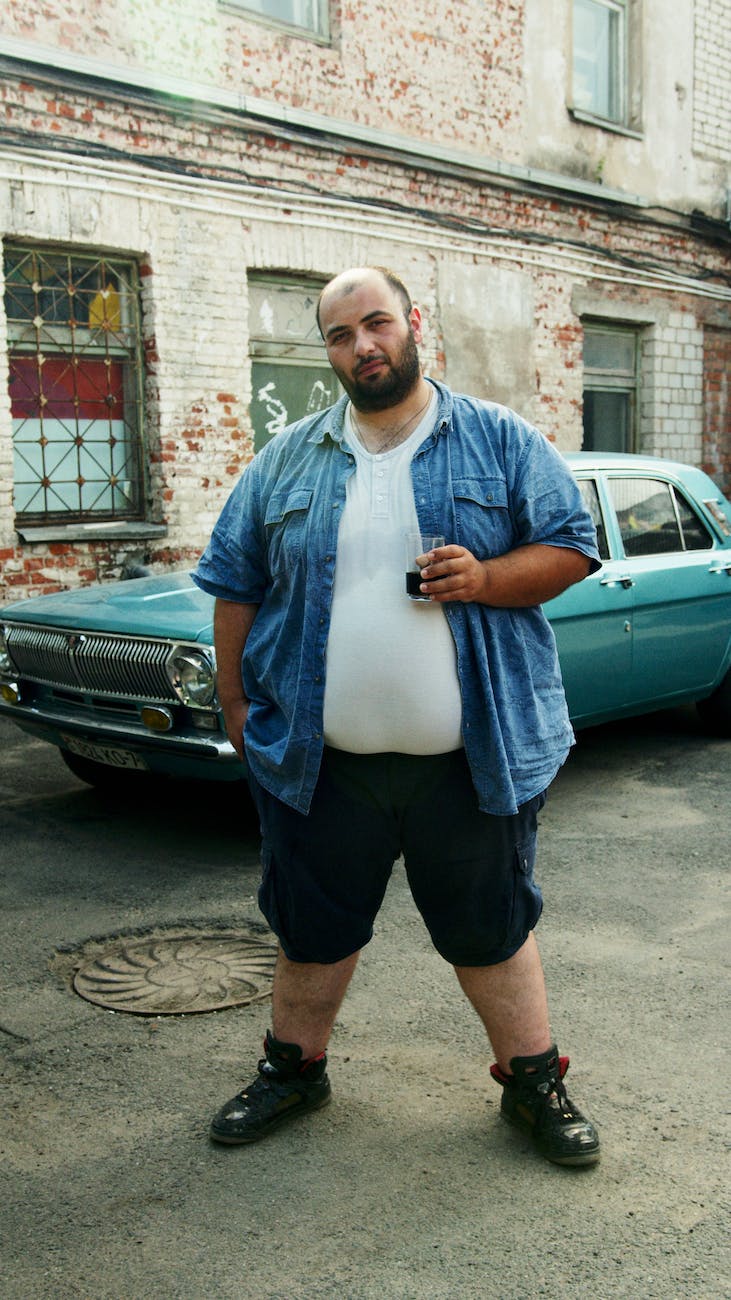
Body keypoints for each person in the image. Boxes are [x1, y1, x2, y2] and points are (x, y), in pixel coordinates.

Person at [192, 266, 602, 1167]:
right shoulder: (285, 458)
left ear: (412, 324)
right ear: (329, 350)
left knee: (491, 930)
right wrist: (234, 707)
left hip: (468, 757)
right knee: (309, 931)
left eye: (375, 324)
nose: (361, 346)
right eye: (340, 335)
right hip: (320, 761)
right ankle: (294, 1071)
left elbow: (573, 548)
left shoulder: (496, 439)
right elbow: (232, 583)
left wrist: (488, 580)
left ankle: (532, 1085)